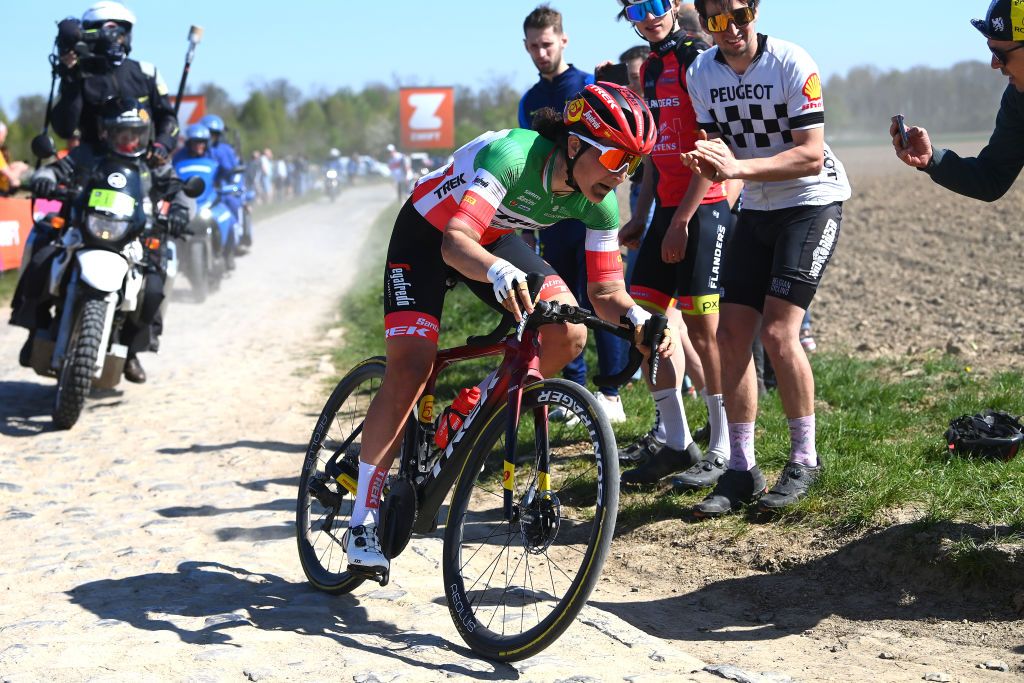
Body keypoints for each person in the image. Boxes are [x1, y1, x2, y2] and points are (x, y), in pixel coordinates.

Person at [345, 83, 671, 579]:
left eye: (633, 166)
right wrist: (496, 271)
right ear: (577, 144)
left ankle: (473, 406)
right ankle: (362, 519)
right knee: (411, 367)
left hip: (492, 238)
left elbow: (606, 292)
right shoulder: (513, 156)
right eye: (616, 159)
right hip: (429, 234)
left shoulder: (599, 202)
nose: (623, 176)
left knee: (567, 331)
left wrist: (638, 319)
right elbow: (455, 243)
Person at [681, 0, 851, 516]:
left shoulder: (793, 63)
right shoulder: (701, 73)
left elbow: (809, 154)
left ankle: (804, 459)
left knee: (780, 332)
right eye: (715, 19)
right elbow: (718, 149)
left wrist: (736, 167)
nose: (730, 29)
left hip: (810, 203)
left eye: (739, 15)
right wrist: (707, 163)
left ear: (755, 10)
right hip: (756, 206)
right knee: (732, 334)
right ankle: (741, 468)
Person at [614, 0, 733, 488]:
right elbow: (650, 152)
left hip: (703, 209)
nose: (649, 15)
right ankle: (678, 444)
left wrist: (682, 220)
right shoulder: (651, 67)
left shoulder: (695, 57)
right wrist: (639, 217)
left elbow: (713, 146)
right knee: (643, 325)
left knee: (704, 335)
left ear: (677, 5)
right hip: (664, 211)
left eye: (658, 3)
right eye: (636, 9)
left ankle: (725, 448)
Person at [12, 97, 193, 382]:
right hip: (84, 229)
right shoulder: (88, 153)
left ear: (144, 134)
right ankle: (35, 329)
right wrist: (45, 176)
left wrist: (182, 211)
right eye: (123, 132)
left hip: (133, 237)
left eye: (135, 132)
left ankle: (131, 351)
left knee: (156, 283)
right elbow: (56, 168)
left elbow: (178, 190)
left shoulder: (152, 162)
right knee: (42, 256)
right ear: (106, 132)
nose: (129, 139)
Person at [519, 4, 630, 423]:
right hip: (552, 218)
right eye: (532, 47)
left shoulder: (587, 84)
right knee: (563, 304)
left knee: (601, 299)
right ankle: (575, 388)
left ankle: (612, 390)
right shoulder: (529, 100)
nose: (540, 53)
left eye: (546, 44)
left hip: (590, 213)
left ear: (563, 40)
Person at [892, 0, 1024, 203]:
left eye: (999, 54)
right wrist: (931, 159)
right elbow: (991, 177)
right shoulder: (1017, 99)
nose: (994, 64)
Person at [51, 2, 179, 168]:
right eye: (103, 32)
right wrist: (70, 76)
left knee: (182, 192)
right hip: (93, 167)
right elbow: (64, 129)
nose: (113, 39)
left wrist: (162, 145)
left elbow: (168, 118)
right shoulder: (79, 76)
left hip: (144, 162)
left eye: (119, 32)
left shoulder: (146, 72)